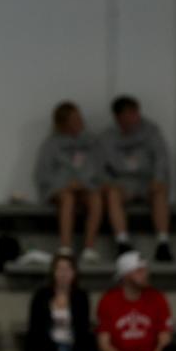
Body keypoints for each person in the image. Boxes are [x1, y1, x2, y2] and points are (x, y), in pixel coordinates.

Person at [100, 96, 174, 261]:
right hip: (123, 182)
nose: (133, 119)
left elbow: (161, 158)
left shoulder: (151, 131)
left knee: (161, 191)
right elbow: (101, 166)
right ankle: (123, 243)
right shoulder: (108, 137)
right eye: (128, 115)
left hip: (147, 180)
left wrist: (158, 178)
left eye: (134, 114)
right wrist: (109, 183)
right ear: (118, 117)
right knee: (112, 194)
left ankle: (163, 243)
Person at [34, 101, 104, 263]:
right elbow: (43, 174)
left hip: (86, 187)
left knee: (95, 198)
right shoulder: (51, 145)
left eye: (79, 117)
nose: (80, 121)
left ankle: (89, 248)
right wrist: (64, 184)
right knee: (68, 198)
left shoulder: (91, 141)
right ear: (63, 122)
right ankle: (65, 247)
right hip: (60, 190)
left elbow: (99, 169)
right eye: (74, 119)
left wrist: (83, 183)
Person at [96, 251, 173, 351]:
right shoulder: (108, 300)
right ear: (126, 275)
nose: (146, 274)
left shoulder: (157, 298)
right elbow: (104, 344)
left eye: (145, 270)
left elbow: (165, 339)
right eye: (139, 271)